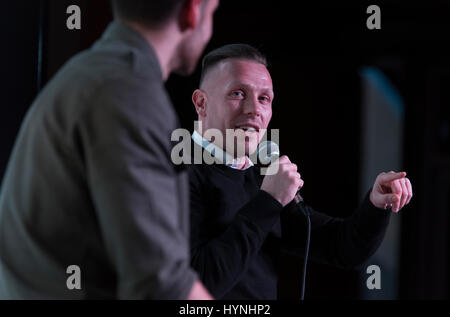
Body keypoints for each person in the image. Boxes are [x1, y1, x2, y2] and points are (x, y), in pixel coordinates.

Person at [0, 0, 219, 299]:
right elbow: (161, 287)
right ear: (193, 10)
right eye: (214, 12)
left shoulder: (91, 74)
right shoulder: (127, 93)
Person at [188, 44, 413, 299]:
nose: (255, 109)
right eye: (238, 93)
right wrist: (269, 201)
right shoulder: (172, 174)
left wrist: (376, 203)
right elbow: (197, 284)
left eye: (264, 98)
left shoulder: (260, 178)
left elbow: (342, 249)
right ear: (201, 103)